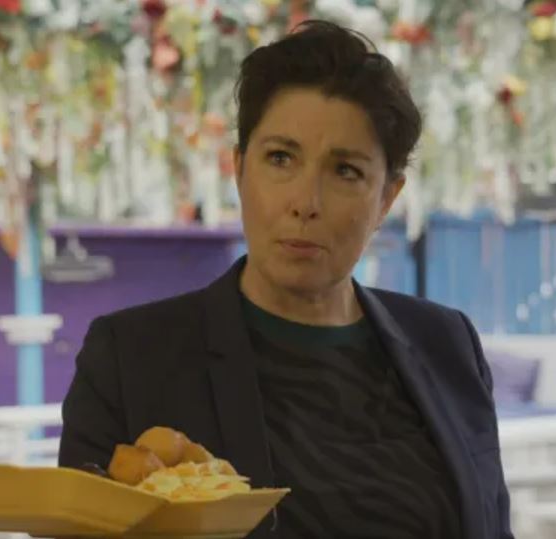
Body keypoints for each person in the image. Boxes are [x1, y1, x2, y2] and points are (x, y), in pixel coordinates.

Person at [60, 20, 513, 539]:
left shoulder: (447, 344)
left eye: (345, 171)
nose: (305, 203)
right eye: (280, 158)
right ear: (239, 169)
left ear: (386, 198)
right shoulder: (132, 357)